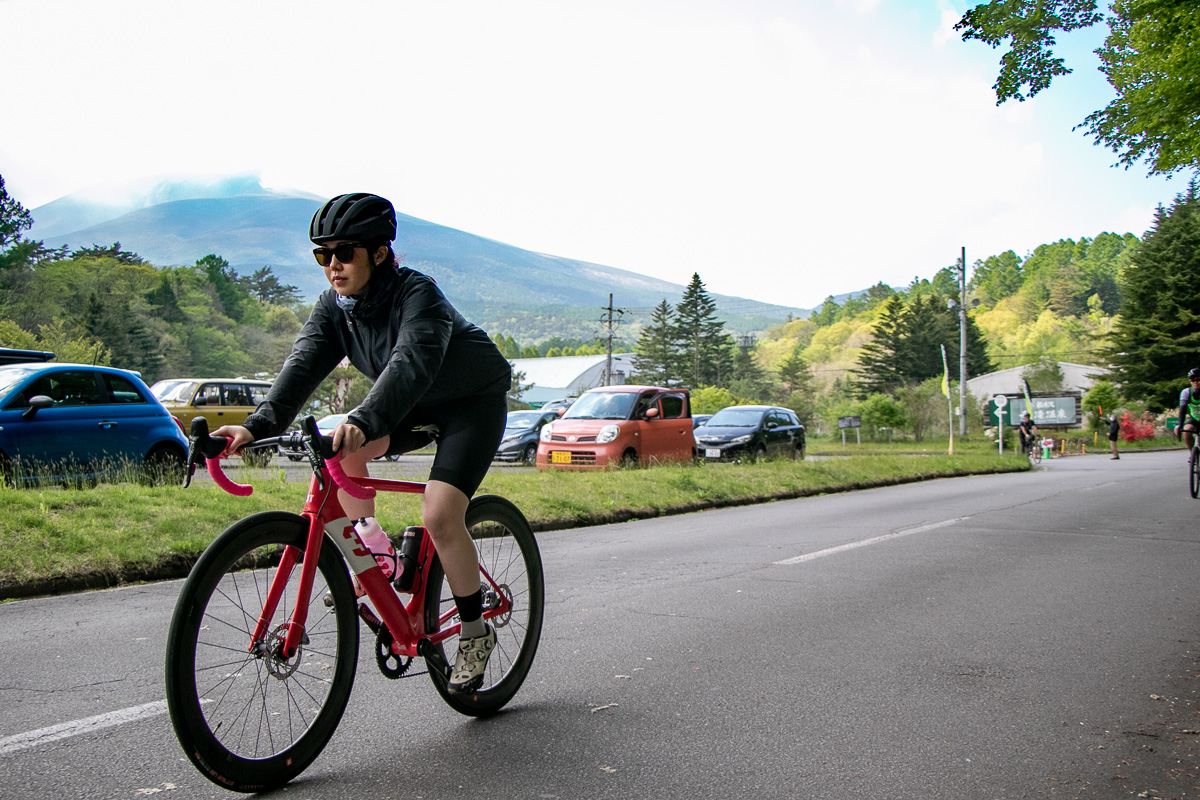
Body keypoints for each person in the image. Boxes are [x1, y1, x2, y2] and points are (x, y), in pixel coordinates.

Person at [214, 193, 512, 694]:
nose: (332, 265)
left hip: (470, 403)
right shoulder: (336, 307)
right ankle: (378, 551)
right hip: (409, 406)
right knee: (341, 451)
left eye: (344, 252)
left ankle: (475, 631)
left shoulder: (420, 296)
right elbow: (303, 364)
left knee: (440, 514)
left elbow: (411, 363)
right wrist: (255, 427)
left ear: (378, 252)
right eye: (321, 254)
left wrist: (367, 418)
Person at [1177, 368, 1200, 454]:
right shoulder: (1186, 392)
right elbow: (1182, 409)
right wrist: (1180, 425)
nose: (1195, 382)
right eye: (1192, 380)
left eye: (1198, 380)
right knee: (1186, 430)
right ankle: (1192, 453)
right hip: (1195, 418)